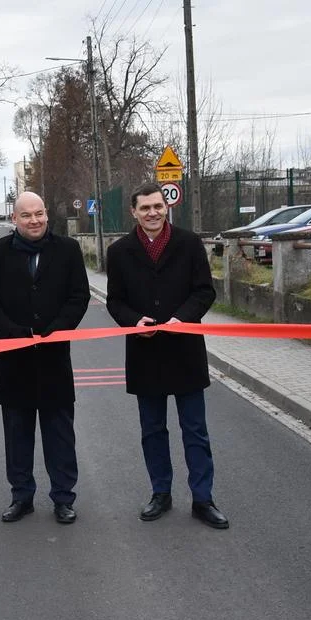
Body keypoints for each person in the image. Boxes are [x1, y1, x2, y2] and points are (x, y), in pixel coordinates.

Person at [105, 183, 228, 529]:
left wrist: (182, 319)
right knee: (152, 430)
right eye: (145, 208)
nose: (152, 213)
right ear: (134, 211)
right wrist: (133, 321)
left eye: (157, 206)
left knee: (195, 430)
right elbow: (115, 301)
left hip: (185, 350)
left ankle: (203, 499)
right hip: (145, 353)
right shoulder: (119, 252)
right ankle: (161, 492)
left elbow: (205, 291)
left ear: (166, 207)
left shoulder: (188, 244)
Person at [0, 192, 89, 524]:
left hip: (55, 358)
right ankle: (21, 497)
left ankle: (64, 498)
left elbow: (79, 295)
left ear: (47, 215)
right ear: (15, 219)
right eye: (26, 215)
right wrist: (12, 332)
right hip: (15, 361)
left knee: (60, 436)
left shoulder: (67, 250)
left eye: (39, 213)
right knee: (17, 436)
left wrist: (57, 329)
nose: (34, 220)